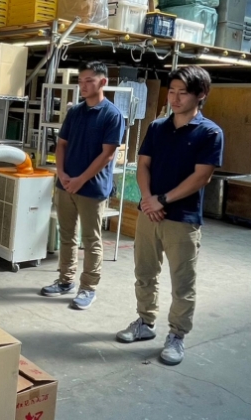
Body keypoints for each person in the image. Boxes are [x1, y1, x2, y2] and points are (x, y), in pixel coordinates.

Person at [116, 66, 223, 366]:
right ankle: (145, 322)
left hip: (183, 219)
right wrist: (147, 199)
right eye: (171, 91)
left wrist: (162, 200)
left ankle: (177, 335)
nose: (175, 98)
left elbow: (201, 176)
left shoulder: (210, 133)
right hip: (149, 214)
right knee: (145, 272)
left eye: (182, 93)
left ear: (201, 94)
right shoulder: (157, 127)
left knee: (182, 281)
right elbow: (143, 165)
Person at [40, 61, 126, 310]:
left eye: (90, 80)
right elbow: (62, 144)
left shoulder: (112, 115)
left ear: (103, 82)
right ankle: (65, 280)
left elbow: (107, 154)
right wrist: (62, 173)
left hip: (92, 188)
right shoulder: (75, 112)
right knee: (66, 236)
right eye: (81, 81)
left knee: (91, 239)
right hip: (65, 184)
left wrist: (80, 179)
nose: (84, 86)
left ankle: (88, 288)